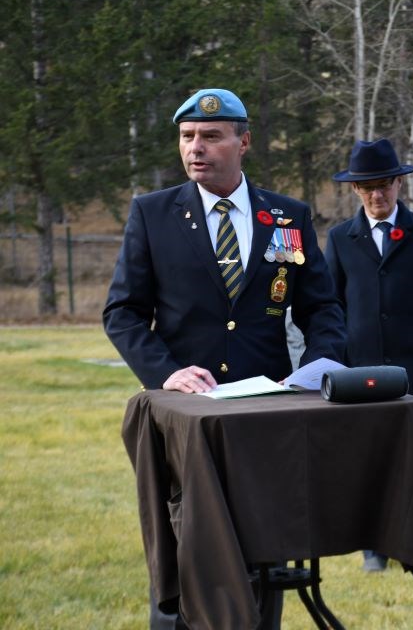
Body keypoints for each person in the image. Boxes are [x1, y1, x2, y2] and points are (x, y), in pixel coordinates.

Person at [104, 88, 347, 627]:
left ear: (244, 141)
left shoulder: (287, 216)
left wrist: (318, 366)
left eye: (211, 137)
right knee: (188, 545)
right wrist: (167, 372)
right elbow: (121, 311)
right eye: (188, 137)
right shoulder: (153, 214)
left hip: (266, 416)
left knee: (266, 544)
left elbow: (322, 307)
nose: (197, 148)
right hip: (186, 415)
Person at [325, 138, 413, 572]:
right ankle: (375, 548)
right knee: (367, 463)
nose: (377, 195)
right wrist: (343, 357)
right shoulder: (340, 239)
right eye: (367, 188)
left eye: (384, 185)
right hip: (358, 374)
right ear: (355, 191)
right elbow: (330, 305)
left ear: (398, 184)